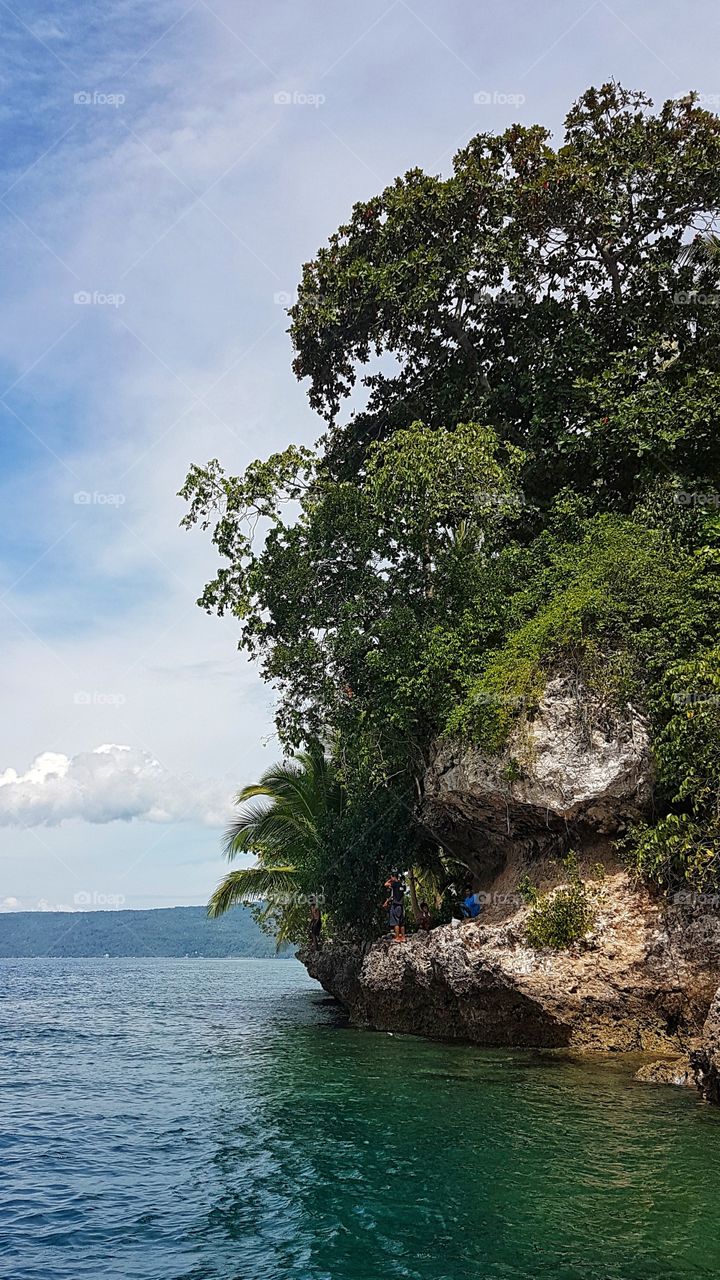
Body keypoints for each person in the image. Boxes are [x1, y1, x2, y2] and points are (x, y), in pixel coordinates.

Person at [383, 871, 407, 943]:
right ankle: (403, 937)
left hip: (395, 905)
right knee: (401, 922)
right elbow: (394, 895)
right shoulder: (402, 885)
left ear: (393, 877)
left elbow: (386, 884)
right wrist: (387, 901)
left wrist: (391, 880)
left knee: (396, 921)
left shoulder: (395, 884)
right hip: (401, 905)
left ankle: (397, 937)